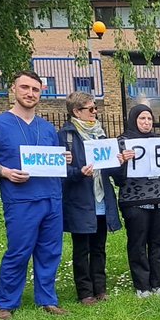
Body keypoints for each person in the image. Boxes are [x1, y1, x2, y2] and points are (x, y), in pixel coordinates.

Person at [0, 71, 71, 320]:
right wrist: (3, 171)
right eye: (25, 88)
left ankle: (47, 299)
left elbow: (56, 163)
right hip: (21, 200)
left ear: (41, 93)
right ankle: (6, 304)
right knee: (19, 251)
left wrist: (65, 159)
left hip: (51, 197)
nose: (30, 93)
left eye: (35, 89)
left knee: (50, 251)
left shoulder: (48, 129)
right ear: (14, 90)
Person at [60, 92, 121, 306]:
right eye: (91, 109)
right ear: (77, 111)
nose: (95, 113)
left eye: (96, 108)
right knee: (82, 249)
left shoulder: (100, 135)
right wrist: (79, 172)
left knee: (99, 247)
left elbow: (110, 170)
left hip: (101, 199)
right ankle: (85, 292)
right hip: (80, 200)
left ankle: (100, 288)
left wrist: (119, 161)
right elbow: (60, 171)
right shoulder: (66, 136)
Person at [115, 104, 160, 297]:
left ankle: (156, 283)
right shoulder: (122, 142)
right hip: (135, 201)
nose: (146, 122)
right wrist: (122, 161)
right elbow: (116, 177)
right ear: (133, 120)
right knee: (138, 243)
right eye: (142, 119)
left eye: (149, 119)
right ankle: (142, 285)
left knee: (159, 242)